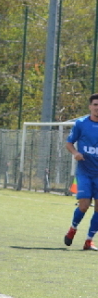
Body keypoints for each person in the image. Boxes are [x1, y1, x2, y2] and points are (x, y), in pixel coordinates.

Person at [64, 93, 98, 251]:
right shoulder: (81, 123)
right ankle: (72, 229)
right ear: (90, 106)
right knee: (84, 205)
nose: (97, 108)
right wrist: (75, 153)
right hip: (84, 172)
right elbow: (69, 143)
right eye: (95, 105)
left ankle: (89, 240)